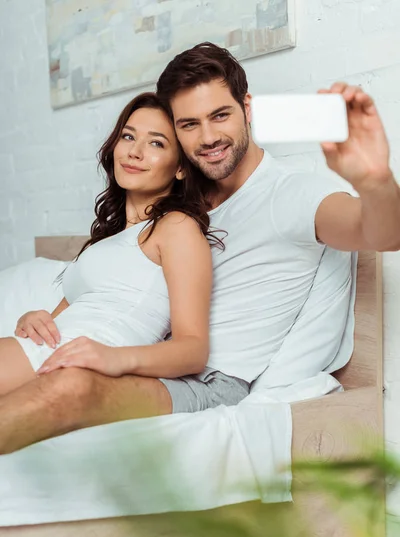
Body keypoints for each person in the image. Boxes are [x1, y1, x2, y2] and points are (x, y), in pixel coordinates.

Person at [0, 42, 399, 455]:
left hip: (209, 382)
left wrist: (373, 180)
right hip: (147, 357)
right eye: (189, 124)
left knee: (71, 386)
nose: (208, 138)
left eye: (220, 115)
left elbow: (382, 234)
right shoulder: (171, 203)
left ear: (247, 108)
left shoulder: (290, 196)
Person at [0, 92, 214, 402]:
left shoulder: (176, 227)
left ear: (180, 167)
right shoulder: (108, 240)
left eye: (156, 143)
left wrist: (114, 359)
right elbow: (66, 314)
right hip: (51, 350)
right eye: (128, 136)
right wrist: (34, 318)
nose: (135, 152)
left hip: (82, 361)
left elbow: (193, 349)